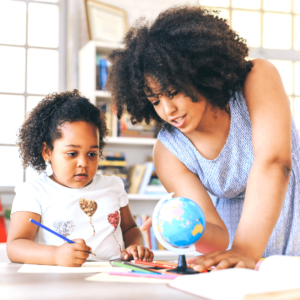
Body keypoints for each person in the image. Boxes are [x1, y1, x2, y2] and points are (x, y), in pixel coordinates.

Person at [106, 6, 300, 271]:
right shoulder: (169, 151)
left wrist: (245, 249)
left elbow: (275, 163)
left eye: (173, 92)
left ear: (198, 74)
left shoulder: (256, 79)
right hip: (241, 257)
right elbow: (218, 236)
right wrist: (181, 226)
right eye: (155, 101)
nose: (168, 110)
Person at [6, 90, 153, 267]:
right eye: (72, 153)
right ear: (47, 152)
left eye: (92, 153)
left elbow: (130, 229)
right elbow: (15, 246)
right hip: (60, 282)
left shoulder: (113, 186)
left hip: (113, 276)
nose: (83, 162)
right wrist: (55, 255)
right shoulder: (33, 192)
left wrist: (135, 246)